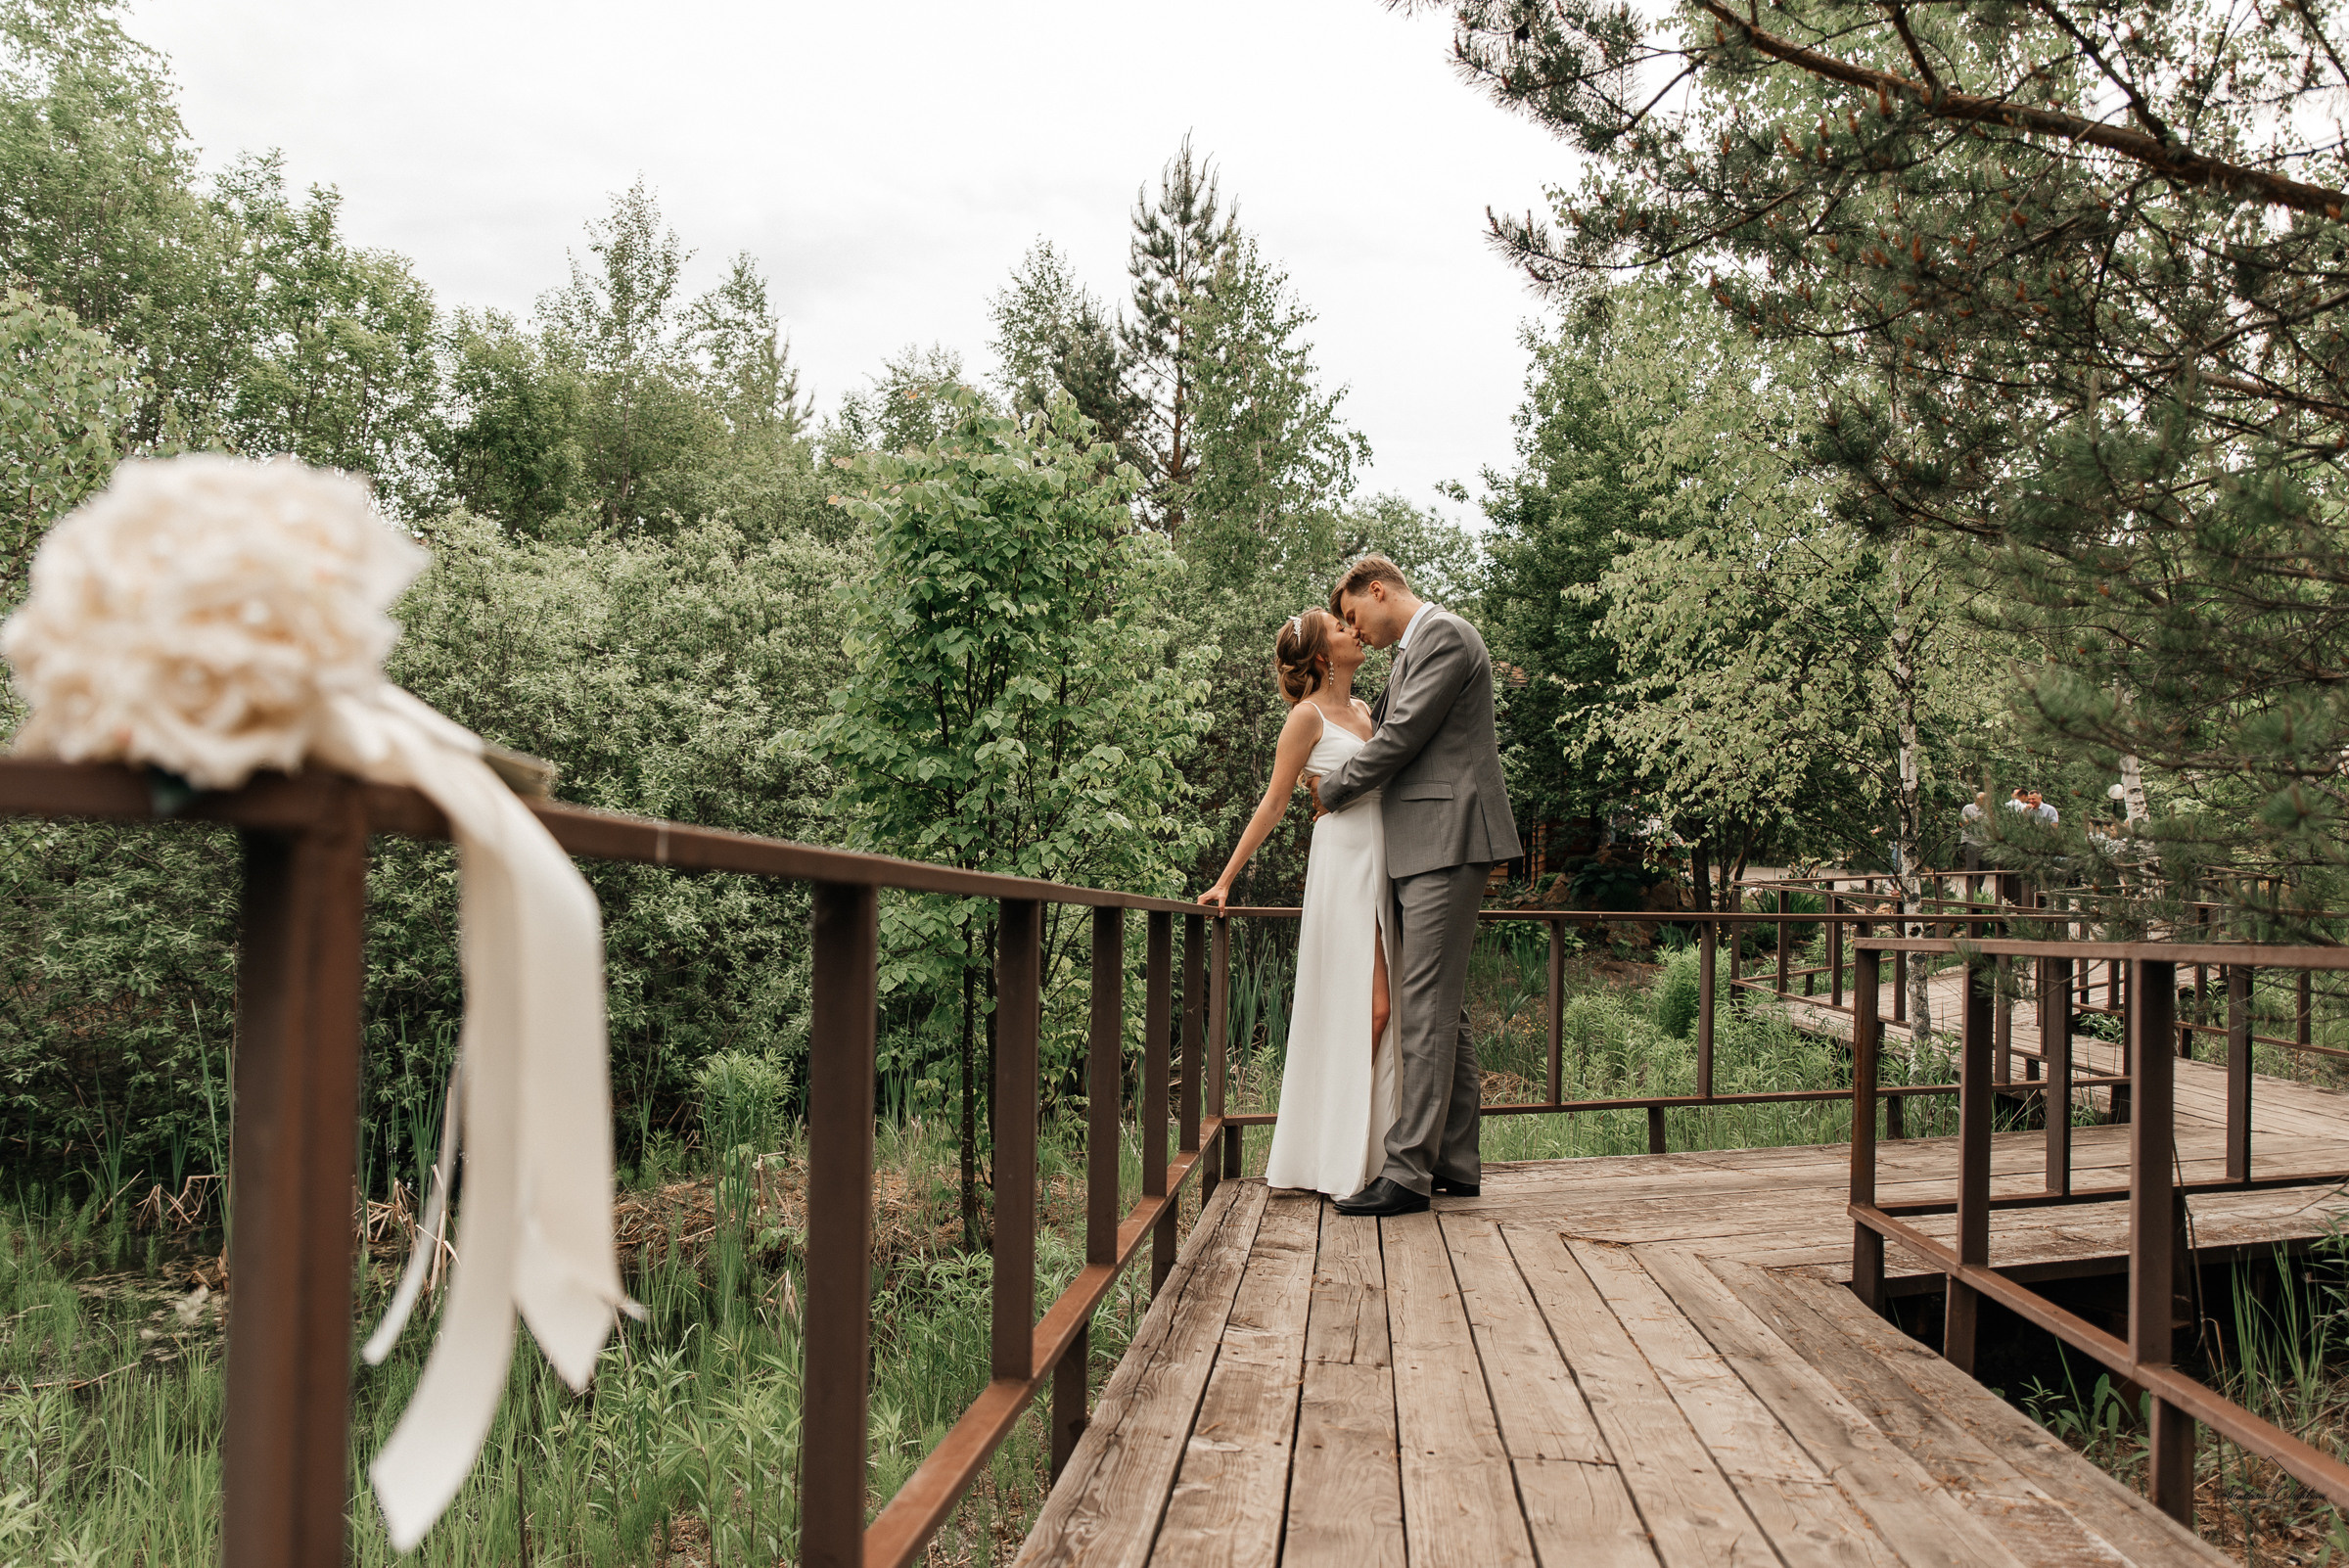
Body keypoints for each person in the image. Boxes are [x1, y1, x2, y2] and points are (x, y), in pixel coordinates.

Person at [1316, 555, 1521, 1217]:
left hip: (1448, 839)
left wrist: (1334, 790)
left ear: (1379, 590)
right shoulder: (1414, 650)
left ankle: (1406, 1173)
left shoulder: (1444, 636)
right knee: (1445, 1009)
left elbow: (1400, 737)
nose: (1358, 630)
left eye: (1353, 615)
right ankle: (1457, 1164)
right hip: (1426, 842)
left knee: (1423, 1006)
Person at [1199, 609, 1399, 1197]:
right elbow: (1274, 802)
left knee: (1387, 1011)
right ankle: (1339, 1154)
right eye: (1341, 629)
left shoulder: (1367, 710)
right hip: (1342, 860)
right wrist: (1227, 878)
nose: (1353, 632)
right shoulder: (1304, 719)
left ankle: (1375, 1157)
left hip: (1385, 858)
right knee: (1373, 1008)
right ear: (1321, 657)